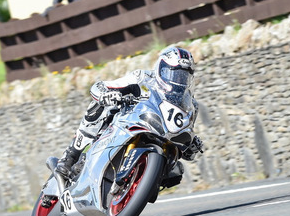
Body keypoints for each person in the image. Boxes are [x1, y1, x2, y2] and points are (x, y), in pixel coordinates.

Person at [55, 45, 205, 179]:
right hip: (127, 122)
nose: (178, 80)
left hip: (160, 139)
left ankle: (139, 185)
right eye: (174, 74)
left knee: (176, 172)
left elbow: (186, 151)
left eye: (183, 76)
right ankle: (71, 155)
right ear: (161, 69)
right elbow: (101, 87)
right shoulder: (142, 77)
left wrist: (191, 145)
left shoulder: (191, 105)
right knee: (100, 107)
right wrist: (108, 95)